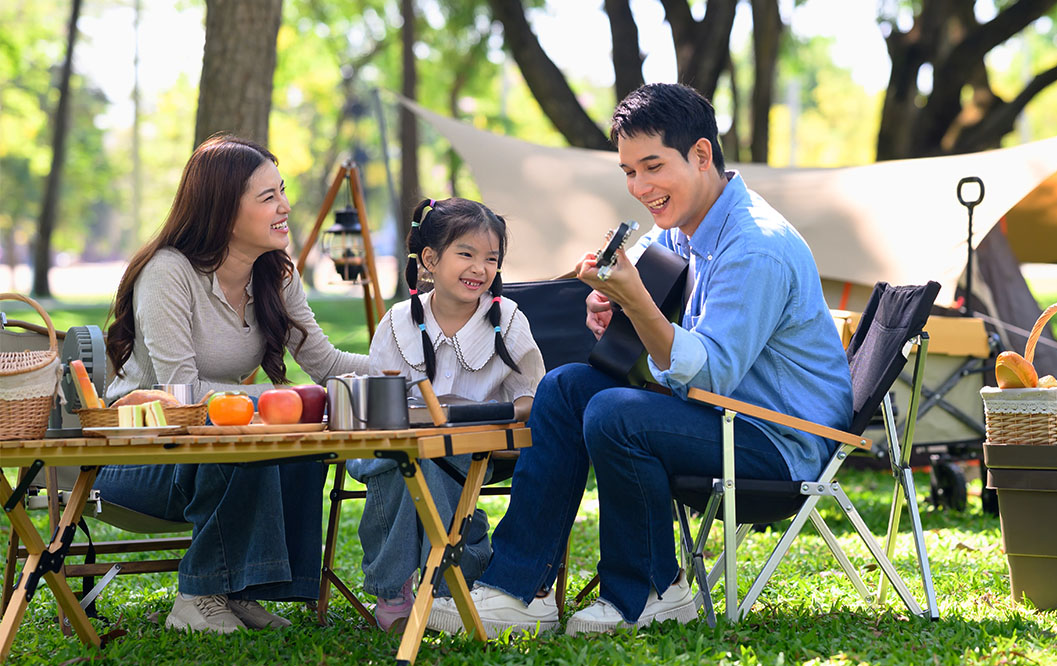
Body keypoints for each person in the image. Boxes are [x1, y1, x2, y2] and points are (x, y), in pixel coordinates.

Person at [426, 83, 853, 636]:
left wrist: (637, 301)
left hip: (776, 442)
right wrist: (608, 302)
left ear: (701, 154)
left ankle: (652, 592)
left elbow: (711, 370)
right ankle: (517, 590)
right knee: (564, 388)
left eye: (653, 167)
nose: (640, 188)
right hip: (716, 416)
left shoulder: (756, 246)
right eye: (629, 171)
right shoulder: (681, 230)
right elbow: (642, 298)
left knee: (615, 413)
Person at [95, 134, 369, 633]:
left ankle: (242, 590)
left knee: (296, 442)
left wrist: (409, 367)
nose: (285, 206)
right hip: (137, 455)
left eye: (282, 192)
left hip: (210, 450)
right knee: (246, 438)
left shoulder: (276, 276)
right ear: (223, 210)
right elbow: (180, 391)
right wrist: (278, 400)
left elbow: (327, 362)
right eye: (268, 197)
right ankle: (197, 596)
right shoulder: (168, 273)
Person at [347, 197, 545, 632]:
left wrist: (485, 413)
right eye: (467, 254)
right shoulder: (398, 322)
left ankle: (408, 583)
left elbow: (533, 397)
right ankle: (448, 573)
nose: (480, 268)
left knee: (430, 458)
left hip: (472, 449)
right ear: (430, 260)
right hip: (398, 444)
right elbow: (378, 403)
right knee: (403, 457)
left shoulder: (508, 320)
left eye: (491, 258)